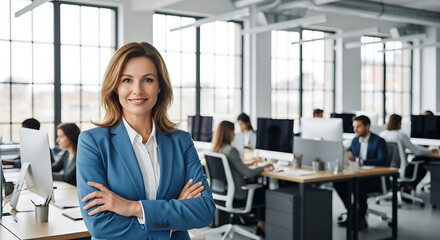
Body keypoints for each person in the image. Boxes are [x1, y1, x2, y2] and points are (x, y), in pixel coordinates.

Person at [76, 42, 215, 239]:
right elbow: (100, 225)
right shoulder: (93, 142)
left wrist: (132, 207)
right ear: (115, 86)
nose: (137, 90)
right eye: (127, 80)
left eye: (148, 80)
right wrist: (171, 223)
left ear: (160, 86)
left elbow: (205, 211)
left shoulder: (181, 141)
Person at [211, 120, 273, 238]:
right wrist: (263, 167)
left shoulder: (217, 149)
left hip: (220, 195)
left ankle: (260, 224)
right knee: (264, 190)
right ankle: (261, 225)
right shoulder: (231, 150)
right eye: (233, 131)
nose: (235, 134)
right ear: (228, 133)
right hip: (238, 195)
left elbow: (234, 166)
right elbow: (248, 173)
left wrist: (251, 163)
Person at [334, 115, 388, 230]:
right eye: (354, 127)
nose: (355, 130)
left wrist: (362, 162)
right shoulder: (355, 140)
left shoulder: (379, 141)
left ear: (367, 126)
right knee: (338, 183)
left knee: (358, 185)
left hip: (376, 178)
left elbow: (383, 161)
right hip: (359, 175)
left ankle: (361, 217)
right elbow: (347, 152)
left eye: (358, 127)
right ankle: (352, 212)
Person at [380, 114, 438, 191]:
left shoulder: (382, 134)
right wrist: (430, 150)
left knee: (416, 160)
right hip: (401, 169)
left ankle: (403, 187)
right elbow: (416, 151)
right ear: (399, 123)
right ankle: (408, 187)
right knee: (422, 162)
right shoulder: (401, 135)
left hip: (387, 168)